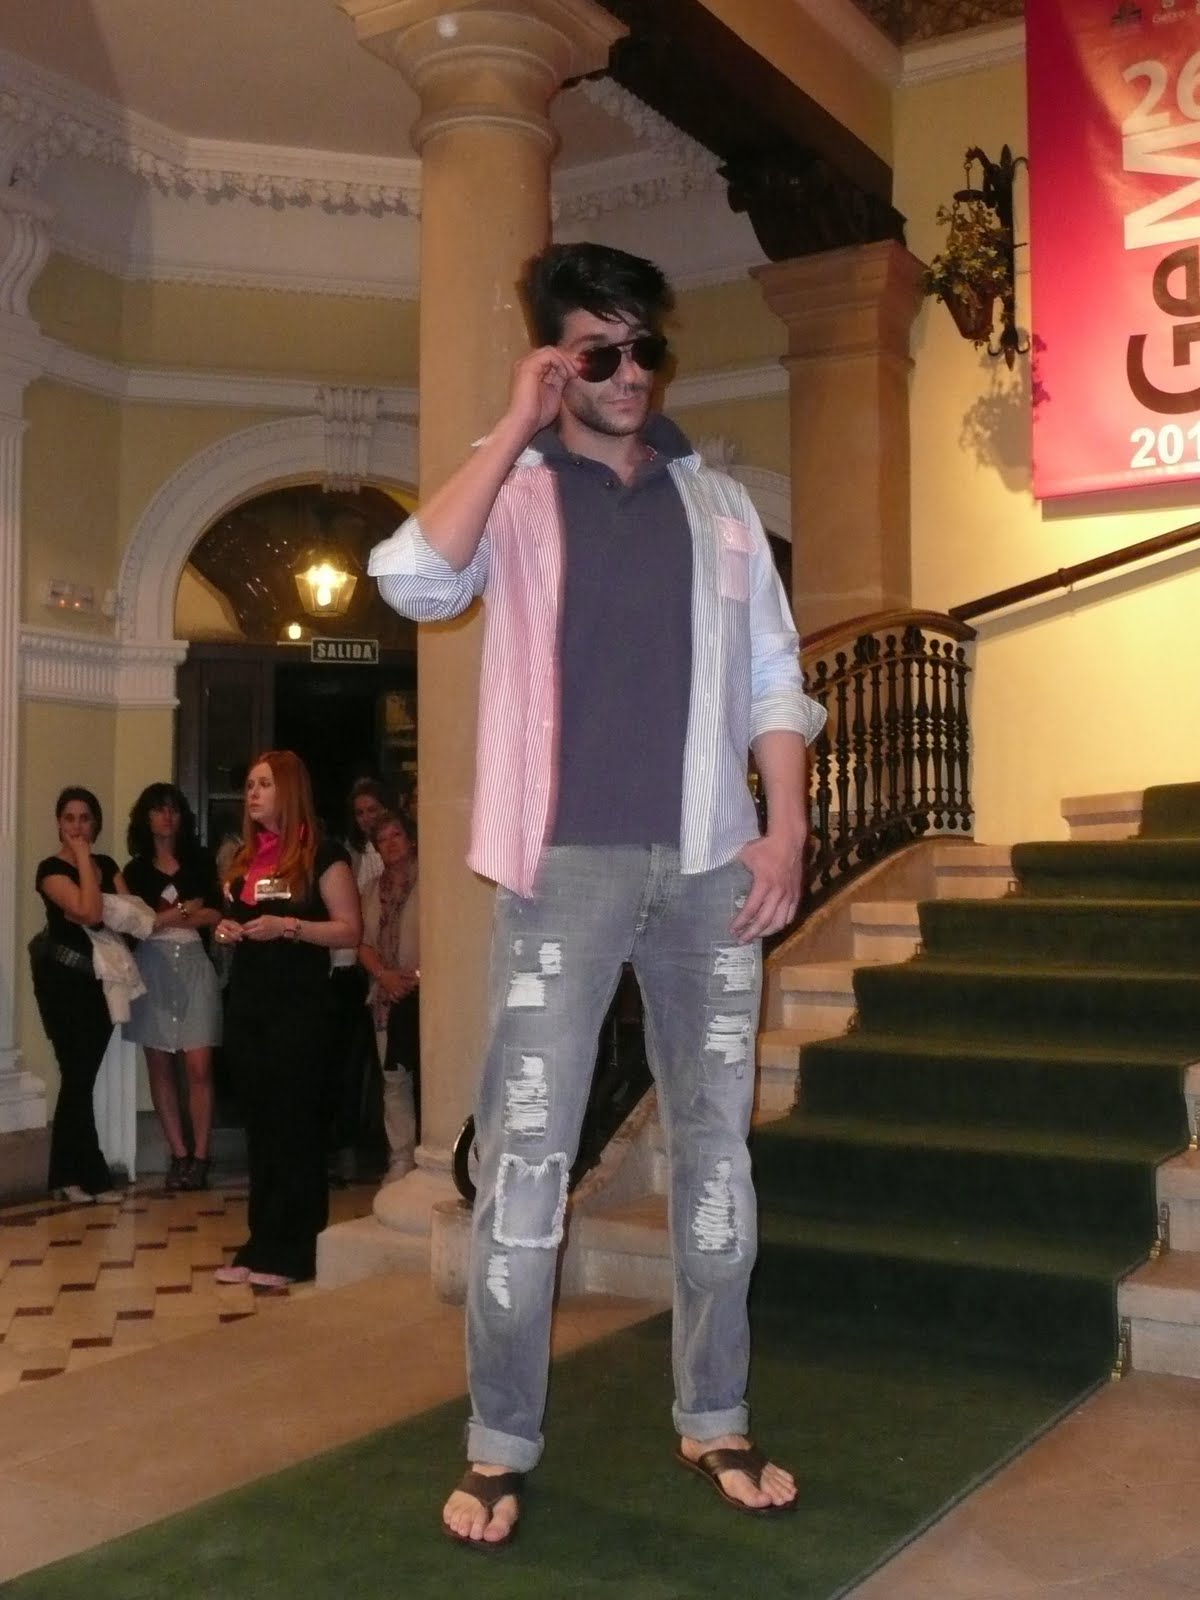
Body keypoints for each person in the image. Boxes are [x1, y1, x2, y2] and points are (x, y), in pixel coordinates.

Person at [369, 241, 826, 1546]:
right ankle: (500, 1440)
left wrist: (787, 828)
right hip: (562, 868)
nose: (631, 374)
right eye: (601, 351)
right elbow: (412, 578)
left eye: (646, 348)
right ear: (560, 360)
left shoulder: (717, 505)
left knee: (718, 1153)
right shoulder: (516, 491)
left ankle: (716, 1413)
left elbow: (774, 674)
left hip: (711, 865)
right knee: (527, 1157)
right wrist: (513, 423)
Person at [212, 751, 361, 1288]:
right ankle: (261, 1242)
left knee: (296, 1127)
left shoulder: (325, 855)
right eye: (250, 785)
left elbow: (349, 930)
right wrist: (225, 930)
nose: (252, 793)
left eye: (264, 784)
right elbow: (233, 919)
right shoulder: (245, 859)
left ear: (290, 790)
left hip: (300, 1010)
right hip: (250, 1006)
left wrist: (290, 927)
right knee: (262, 1129)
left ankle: (296, 1250)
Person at [122, 783, 223, 1191]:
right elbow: (136, 925)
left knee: (199, 1065)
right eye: (158, 810)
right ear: (145, 818)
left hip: (195, 962)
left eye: (174, 809)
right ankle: (178, 1154)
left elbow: (215, 913)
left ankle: (201, 1156)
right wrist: (183, 910)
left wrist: (162, 918)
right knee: (160, 1062)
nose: (166, 817)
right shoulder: (135, 871)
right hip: (152, 966)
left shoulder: (200, 861)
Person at [32, 786, 126, 1204]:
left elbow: (126, 917)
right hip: (62, 981)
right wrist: (85, 862)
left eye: (84, 818)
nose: (76, 826)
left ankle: (67, 1176)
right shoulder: (50, 869)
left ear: (96, 823)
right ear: (58, 822)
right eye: (69, 818)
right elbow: (91, 912)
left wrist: (94, 900)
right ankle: (91, 1175)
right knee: (77, 1074)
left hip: (102, 981)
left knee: (78, 1077)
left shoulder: (110, 865)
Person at [326, 777, 391, 1185]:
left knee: (389, 1065)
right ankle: (345, 1148)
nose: (366, 819)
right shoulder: (344, 854)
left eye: (373, 810)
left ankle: (390, 1148)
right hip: (350, 966)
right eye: (360, 813)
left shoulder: (398, 849)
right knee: (348, 1064)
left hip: (387, 963)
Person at [357, 809, 420, 1183]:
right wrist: (384, 976)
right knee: (394, 1078)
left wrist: (416, 976)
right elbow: (362, 943)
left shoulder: (431, 881)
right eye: (382, 839)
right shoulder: (369, 891)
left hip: (426, 990)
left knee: (433, 1073)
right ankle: (401, 1156)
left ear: (410, 838)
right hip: (386, 993)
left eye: (396, 835)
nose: (390, 844)